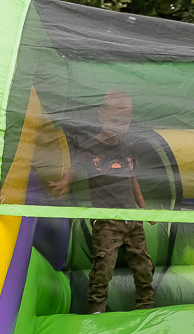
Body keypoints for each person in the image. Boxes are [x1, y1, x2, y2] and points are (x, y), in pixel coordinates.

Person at [53, 91, 155, 313]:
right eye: (114, 120)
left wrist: (144, 210)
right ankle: (96, 308)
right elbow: (76, 167)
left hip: (132, 217)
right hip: (106, 219)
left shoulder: (127, 147)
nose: (119, 125)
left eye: (124, 121)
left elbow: (132, 178)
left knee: (144, 265)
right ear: (101, 116)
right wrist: (64, 182)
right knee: (104, 265)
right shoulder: (91, 146)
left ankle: (146, 306)